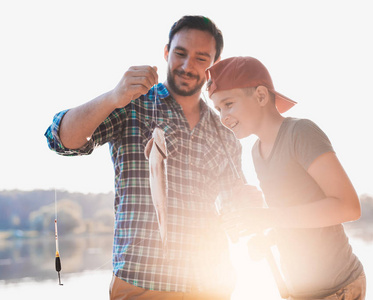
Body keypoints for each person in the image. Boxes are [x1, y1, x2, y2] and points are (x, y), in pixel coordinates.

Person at [45, 16, 256, 300]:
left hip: (211, 285)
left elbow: (234, 217)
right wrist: (112, 97)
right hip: (143, 285)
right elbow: (60, 139)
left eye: (200, 58)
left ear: (214, 67)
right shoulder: (131, 104)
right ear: (167, 52)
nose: (187, 65)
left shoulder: (225, 133)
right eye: (180, 53)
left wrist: (249, 207)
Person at [206, 56, 366, 300]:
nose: (223, 117)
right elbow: (292, 215)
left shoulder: (300, 133)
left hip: (338, 288)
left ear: (260, 96)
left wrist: (268, 217)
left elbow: (349, 207)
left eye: (228, 104)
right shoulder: (256, 152)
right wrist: (268, 237)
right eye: (218, 109)